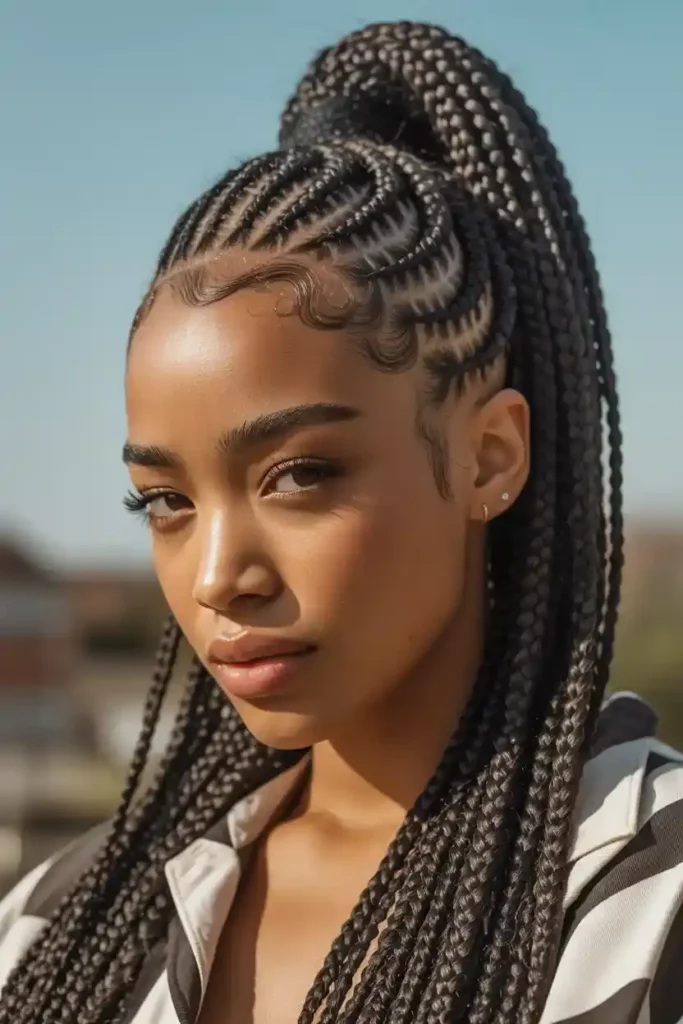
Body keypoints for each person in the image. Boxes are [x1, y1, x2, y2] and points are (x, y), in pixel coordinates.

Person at [0, 19, 681, 1024]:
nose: (217, 574)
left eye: (299, 474)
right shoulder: (55, 929)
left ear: (488, 456)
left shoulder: (646, 906)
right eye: (167, 501)